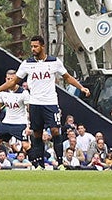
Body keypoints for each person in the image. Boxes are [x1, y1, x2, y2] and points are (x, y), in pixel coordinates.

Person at [15, 35, 86, 169]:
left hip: (50, 103)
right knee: (37, 133)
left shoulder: (54, 62)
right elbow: (14, 81)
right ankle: (39, 165)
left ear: (43, 46)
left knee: (55, 130)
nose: (33, 49)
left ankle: (60, 163)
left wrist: (81, 87)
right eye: (31, 46)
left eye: (35, 46)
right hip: (35, 103)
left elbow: (67, 77)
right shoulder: (27, 64)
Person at [0, 73, 32, 166]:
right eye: (8, 78)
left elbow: (29, 110)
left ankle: (37, 165)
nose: (10, 81)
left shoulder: (23, 92)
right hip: (7, 122)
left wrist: (29, 125)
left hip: (20, 123)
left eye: (12, 79)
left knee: (25, 145)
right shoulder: (3, 93)